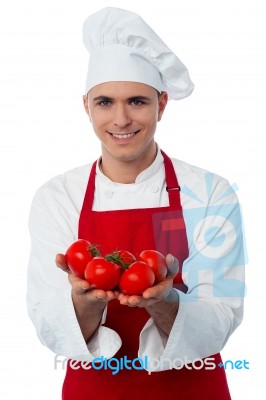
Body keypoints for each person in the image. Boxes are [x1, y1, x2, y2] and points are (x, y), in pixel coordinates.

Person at [27, 7, 246, 400]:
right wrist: (82, 300)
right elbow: (47, 323)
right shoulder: (58, 197)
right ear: (86, 107)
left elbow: (223, 316)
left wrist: (164, 302)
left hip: (192, 390)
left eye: (138, 101)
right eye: (106, 102)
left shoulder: (210, 193)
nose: (122, 119)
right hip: (94, 391)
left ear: (162, 104)